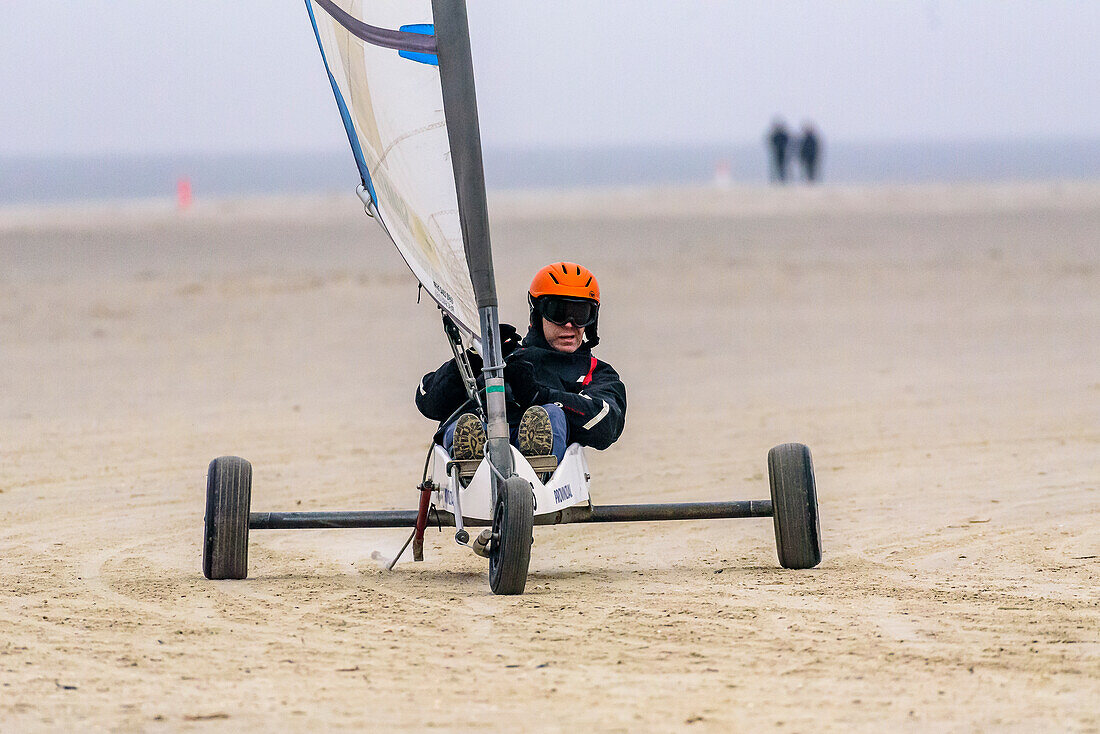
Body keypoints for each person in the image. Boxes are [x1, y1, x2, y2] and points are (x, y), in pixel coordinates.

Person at [415, 262, 627, 464]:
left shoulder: (597, 373)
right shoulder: (503, 358)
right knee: (467, 422)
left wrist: (541, 396)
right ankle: (473, 467)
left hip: (545, 475)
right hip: (480, 450)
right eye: (558, 312)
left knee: (550, 415)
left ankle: (536, 472)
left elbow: (608, 424)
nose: (570, 324)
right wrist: (475, 357)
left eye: (581, 314)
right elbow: (427, 399)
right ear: (537, 313)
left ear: (593, 318)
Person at [766, 118, 791, 184]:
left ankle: (782, 179)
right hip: (776, 153)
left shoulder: (783, 135)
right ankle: (775, 180)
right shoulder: (775, 135)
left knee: (782, 167)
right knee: (775, 167)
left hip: (783, 153)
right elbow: (771, 142)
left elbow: (787, 142)